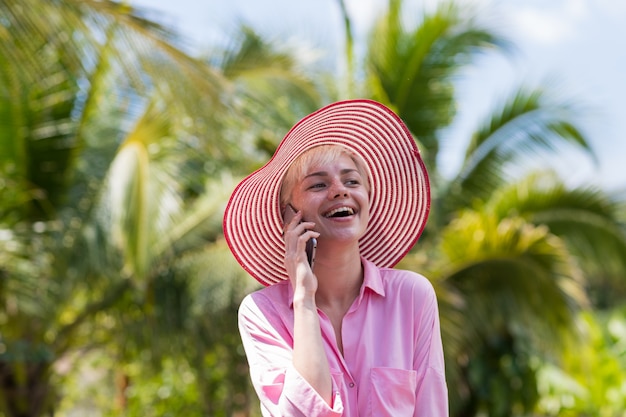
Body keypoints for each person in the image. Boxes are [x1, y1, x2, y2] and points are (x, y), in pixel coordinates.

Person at [223, 99, 448, 416]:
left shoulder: (412, 296)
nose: (340, 190)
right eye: (318, 184)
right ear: (289, 216)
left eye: (352, 180)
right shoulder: (262, 314)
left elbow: (431, 408)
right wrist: (303, 299)